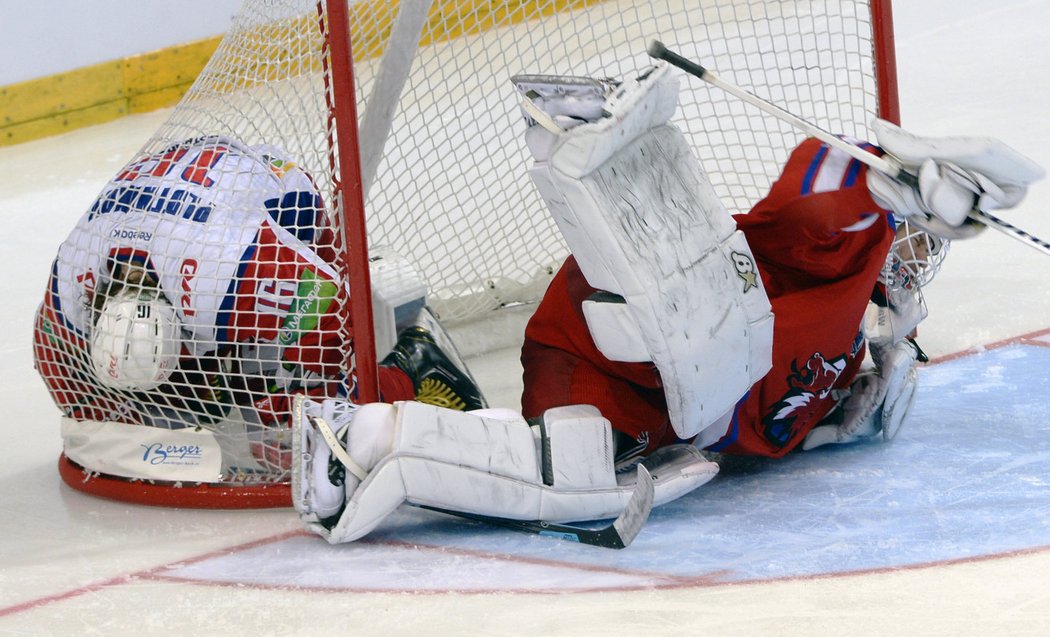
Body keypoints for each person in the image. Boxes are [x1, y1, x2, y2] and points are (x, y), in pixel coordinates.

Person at [290, 63, 1041, 545]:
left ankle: (402, 393)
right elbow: (804, 202)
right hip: (605, 331)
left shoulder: (859, 362)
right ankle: (360, 438)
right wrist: (886, 185)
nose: (917, 258)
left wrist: (865, 397)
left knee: (584, 480)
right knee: (579, 469)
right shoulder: (841, 262)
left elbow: (797, 416)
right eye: (917, 238)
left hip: (665, 399)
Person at [33, 136, 485, 475]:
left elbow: (339, 316)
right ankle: (220, 377)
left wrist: (359, 383)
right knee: (193, 409)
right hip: (181, 203)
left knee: (300, 429)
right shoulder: (69, 289)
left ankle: (415, 359)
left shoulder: (230, 276)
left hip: (275, 191)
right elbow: (71, 388)